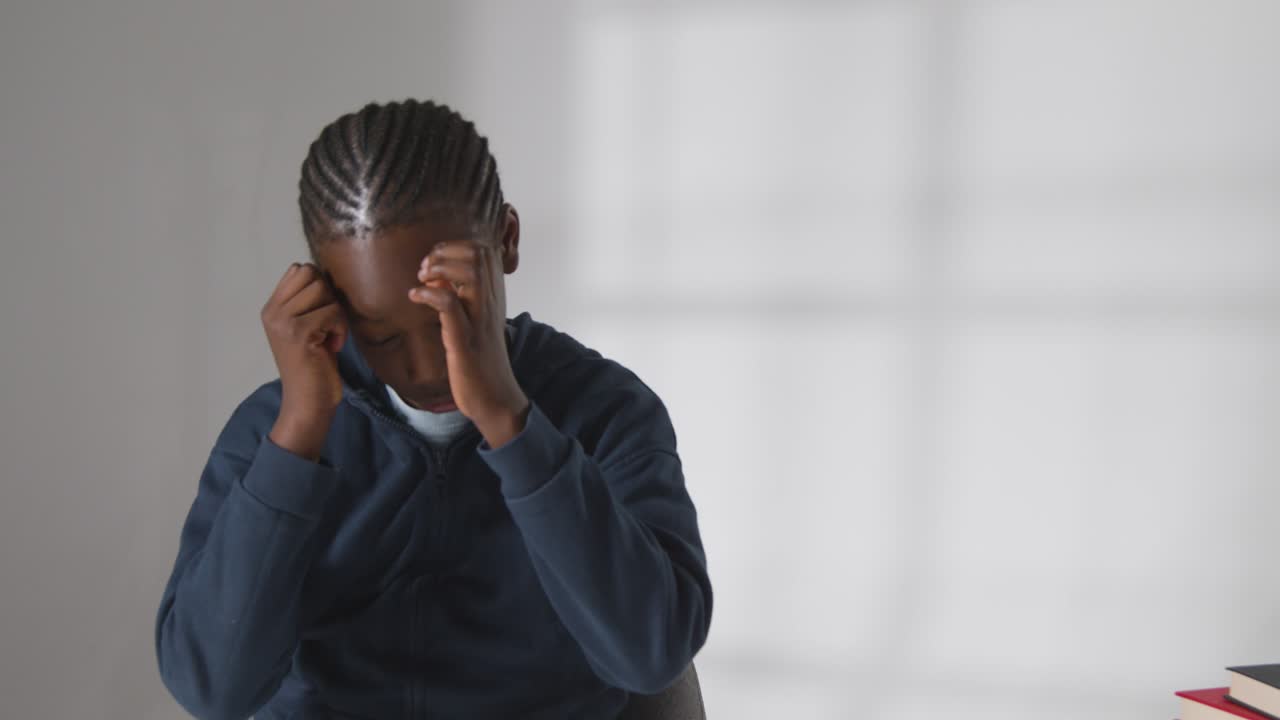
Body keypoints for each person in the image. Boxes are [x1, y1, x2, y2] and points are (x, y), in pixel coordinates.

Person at [153, 99, 712, 719]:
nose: (426, 368)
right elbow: (213, 690)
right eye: (383, 335)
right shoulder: (274, 430)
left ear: (506, 240)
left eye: (452, 317)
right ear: (329, 297)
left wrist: (511, 425)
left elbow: (651, 655)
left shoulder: (607, 412)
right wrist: (299, 436)